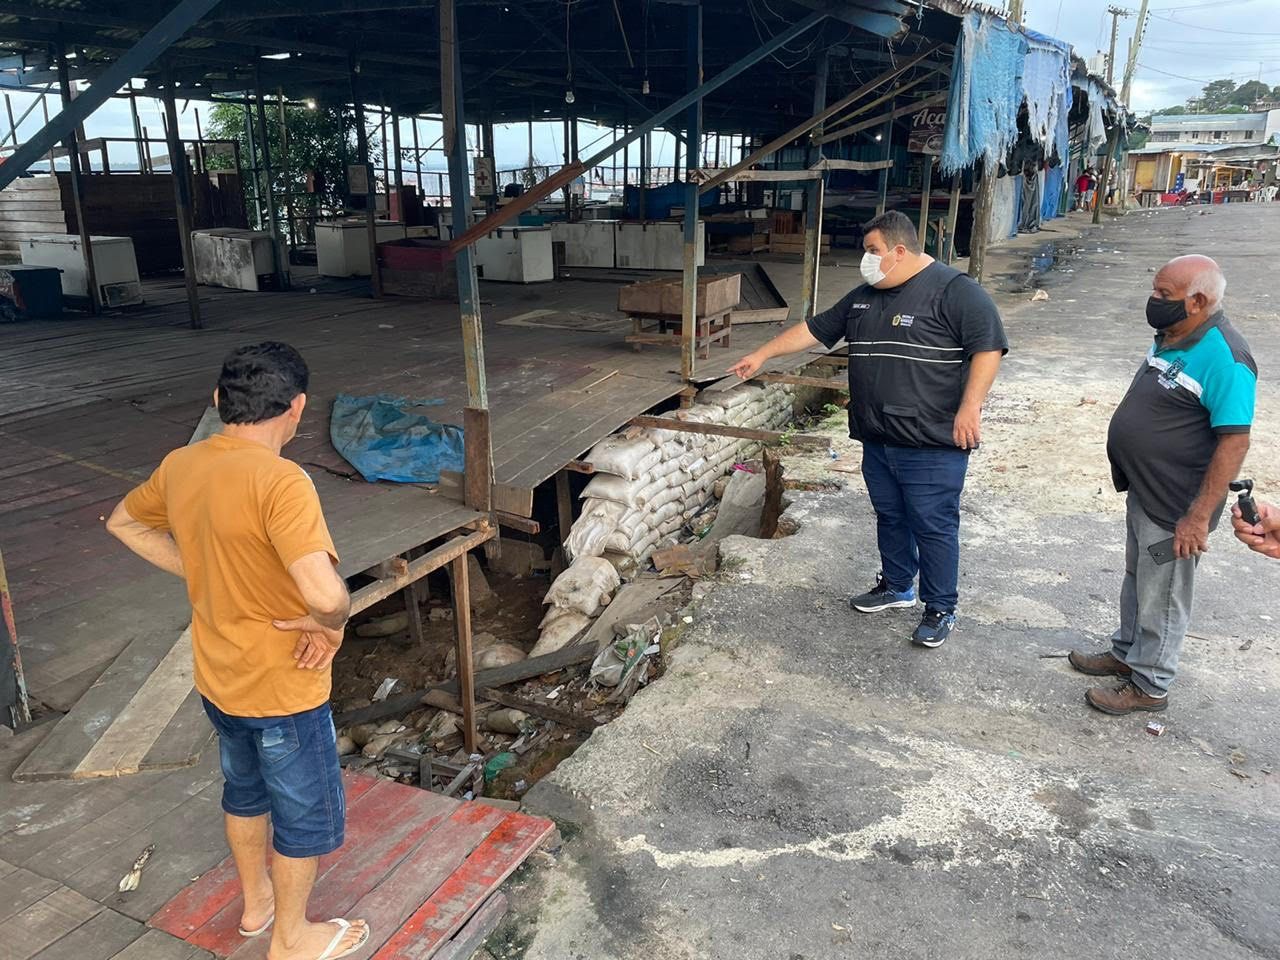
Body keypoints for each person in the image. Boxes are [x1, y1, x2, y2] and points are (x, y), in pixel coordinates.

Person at [107, 342, 369, 960]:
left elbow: (123, 521)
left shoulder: (182, 465)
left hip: (218, 678)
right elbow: (324, 592)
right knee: (302, 819)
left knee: (245, 793)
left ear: (219, 400)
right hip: (283, 684)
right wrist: (331, 621)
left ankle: (257, 909)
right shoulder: (282, 481)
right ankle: (292, 938)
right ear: (297, 408)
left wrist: (202, 576)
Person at [728, 210, 1007, 648]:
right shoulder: (864, 296)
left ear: (899, 251)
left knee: (933, 524)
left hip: (931, 441)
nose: (867, 260)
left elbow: (988, 348)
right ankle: (897, 586)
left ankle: (940, 608)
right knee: (891, 515)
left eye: (873, 251)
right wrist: (762, 354)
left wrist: (970, 408)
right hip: (877, 435)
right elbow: (814, 330)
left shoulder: (955, 292)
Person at [1069, 256, 1256, 715]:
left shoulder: (1226, 357)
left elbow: (1235, 441)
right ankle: (1128, 652)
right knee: (1139, 578)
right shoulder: (1174, 336)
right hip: (1146, 492)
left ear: (1198, 301)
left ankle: (1150, 685)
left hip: (1177, 507)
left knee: (1164, 591)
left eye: (1163, 296)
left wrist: (1197, 516)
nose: (1154, 302)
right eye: (1155, 291)